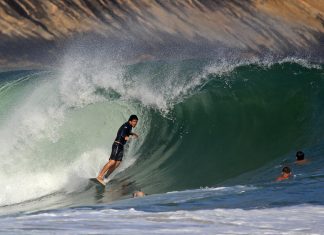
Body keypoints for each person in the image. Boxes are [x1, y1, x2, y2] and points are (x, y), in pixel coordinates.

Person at [96, 115, 139, 185]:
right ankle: (100, 176)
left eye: (136, 122)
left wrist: (132, 133)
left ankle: (105, 177)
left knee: (117, 163)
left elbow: (126, 131)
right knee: (112, 161)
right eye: (134, 121)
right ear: (130, 121)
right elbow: (123, 133)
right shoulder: (126, 125)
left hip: (121, 146)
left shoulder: (129, 126)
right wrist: (126, 137)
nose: (135, 123)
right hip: (117, 145)